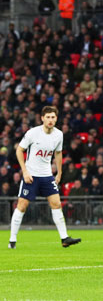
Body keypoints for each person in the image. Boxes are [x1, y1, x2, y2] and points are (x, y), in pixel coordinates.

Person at [8, 106, 81, 249]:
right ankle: (12, 241)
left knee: (57, 204)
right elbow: (19, 150)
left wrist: (59, 173)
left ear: (56, 119)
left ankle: (64, 238)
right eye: (48, 117)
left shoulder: (59, 134)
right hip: (31, 175)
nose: (50, 120)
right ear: (42, 118)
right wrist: (25, 171)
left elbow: (58, 153)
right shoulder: (33, 133)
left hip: (47, 176)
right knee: (22, 206)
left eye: (53, 117)